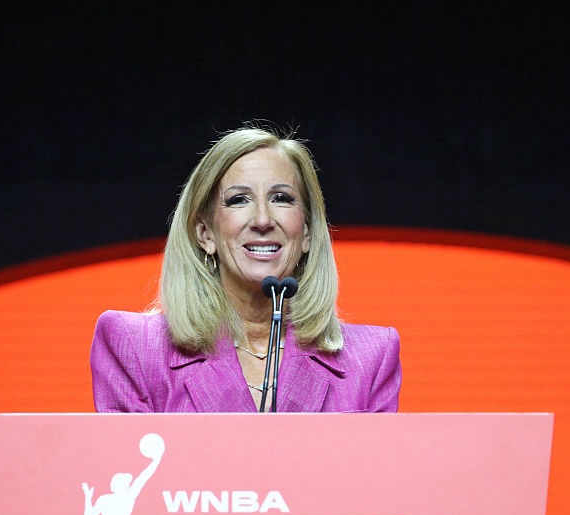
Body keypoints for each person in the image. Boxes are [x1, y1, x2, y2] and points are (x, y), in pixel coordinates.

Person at [90, 125, 401, 412]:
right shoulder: (135, 348)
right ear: (205, 233)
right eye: (239, 199)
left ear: (306, 233)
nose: (263, 220)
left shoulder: (372, 359)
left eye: (282, 198)